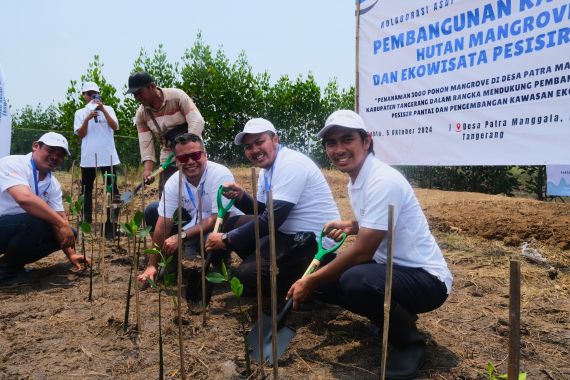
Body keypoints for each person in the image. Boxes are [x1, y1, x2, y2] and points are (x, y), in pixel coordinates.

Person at [286, 110, 453, 379]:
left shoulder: (382, 180)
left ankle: (409, 343)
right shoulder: (359, 179)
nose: (338, 149)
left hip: (427, 280)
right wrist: (352, 226)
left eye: (347, 139)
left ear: (366, 141)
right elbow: (378, 222)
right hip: (392, 270)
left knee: (355, 279)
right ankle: (388, 318)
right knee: (332, 278)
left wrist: (311, 281)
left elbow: (363, 251)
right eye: (331, 143)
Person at [205, 118, 340, 296]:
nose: (254, 150)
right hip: (287, 233)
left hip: (313, 244)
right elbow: (264, 211)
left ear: (275, 139)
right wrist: (242, 197)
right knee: (232, 223)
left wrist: (226, 239)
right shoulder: (267, 170)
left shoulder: (290, 164)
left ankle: (305, 284)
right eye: (248, 146)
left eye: (259, 142)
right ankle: (267, 266)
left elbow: (271, 220)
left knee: (245, 275)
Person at [137, 133, 241, 284]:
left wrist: (182, 236)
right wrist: (152, 265)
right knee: (153, 210)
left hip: (221, 226)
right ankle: (170, 262)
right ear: (177, 161)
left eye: (196, 155)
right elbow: (163, 222)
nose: (190, 161)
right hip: (192, 223)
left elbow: (215, 218)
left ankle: (221, 264)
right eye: (183, 158)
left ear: (205, 155)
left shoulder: (219, 174)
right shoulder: (174, 182)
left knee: (210, 236)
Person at [0, 132, 90, 282]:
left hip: (18, 230)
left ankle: (9, 265)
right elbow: (24, 199)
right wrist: (62, 223)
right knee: (38, 222)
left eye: (60, 155)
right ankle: (6, 272)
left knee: (69, 234)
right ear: (36, 146)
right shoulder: (13, 163)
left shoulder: (52, 183)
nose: (55, 157)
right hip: (5, 225)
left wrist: (71, 254)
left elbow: (60, 218)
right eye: (50, 150)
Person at [126, 71, 205, 193]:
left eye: (140, 93)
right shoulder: (141, 115)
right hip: (168, 152)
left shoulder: (177, 96)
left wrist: (185, 152)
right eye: (134, 95)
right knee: (167, 192)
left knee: (197, 187)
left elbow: (197, 121)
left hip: (192, 149)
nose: (137, 98)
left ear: (152, 87)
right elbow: (145, 143)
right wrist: (148, 170)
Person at [73, 81, 120, 223]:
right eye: (89, 93)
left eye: (95, 93)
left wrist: (103, 110)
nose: (92, 96)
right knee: (86, 189)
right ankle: (86, 219)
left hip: (108, 157)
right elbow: (80, 134)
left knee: (112, 190)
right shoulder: (80, 113)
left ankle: (111, 221)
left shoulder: (109, 109)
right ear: (84, 96)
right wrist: (87, 119)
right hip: (89, 158)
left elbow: (115, 126)